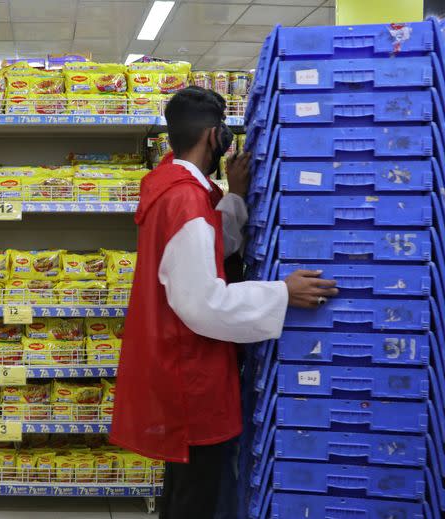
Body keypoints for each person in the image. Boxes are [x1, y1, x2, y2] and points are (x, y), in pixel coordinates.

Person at [109, 87, 338, 519]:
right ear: (215, 137)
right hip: (191, 374)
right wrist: (282, 292)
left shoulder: (174, 190)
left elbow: (211, 245)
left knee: (187, 488)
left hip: (179, 366)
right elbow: (203, 303)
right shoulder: (186, 202)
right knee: (199, 495)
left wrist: (233, 195)